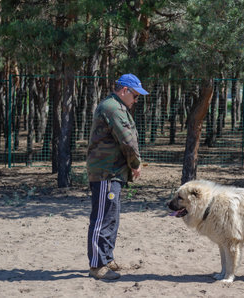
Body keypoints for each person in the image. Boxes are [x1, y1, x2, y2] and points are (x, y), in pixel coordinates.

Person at [86, 73, 149, 280]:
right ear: (124, 90)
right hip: (106, 171)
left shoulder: (118, 107)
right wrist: (136, 164)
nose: (136, 100)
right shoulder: (112, 108)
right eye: (135, 95)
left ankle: (106, 257)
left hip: (113, 172)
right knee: (102, 218)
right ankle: (97, 265)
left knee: (111, 217)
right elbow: (127, 140)